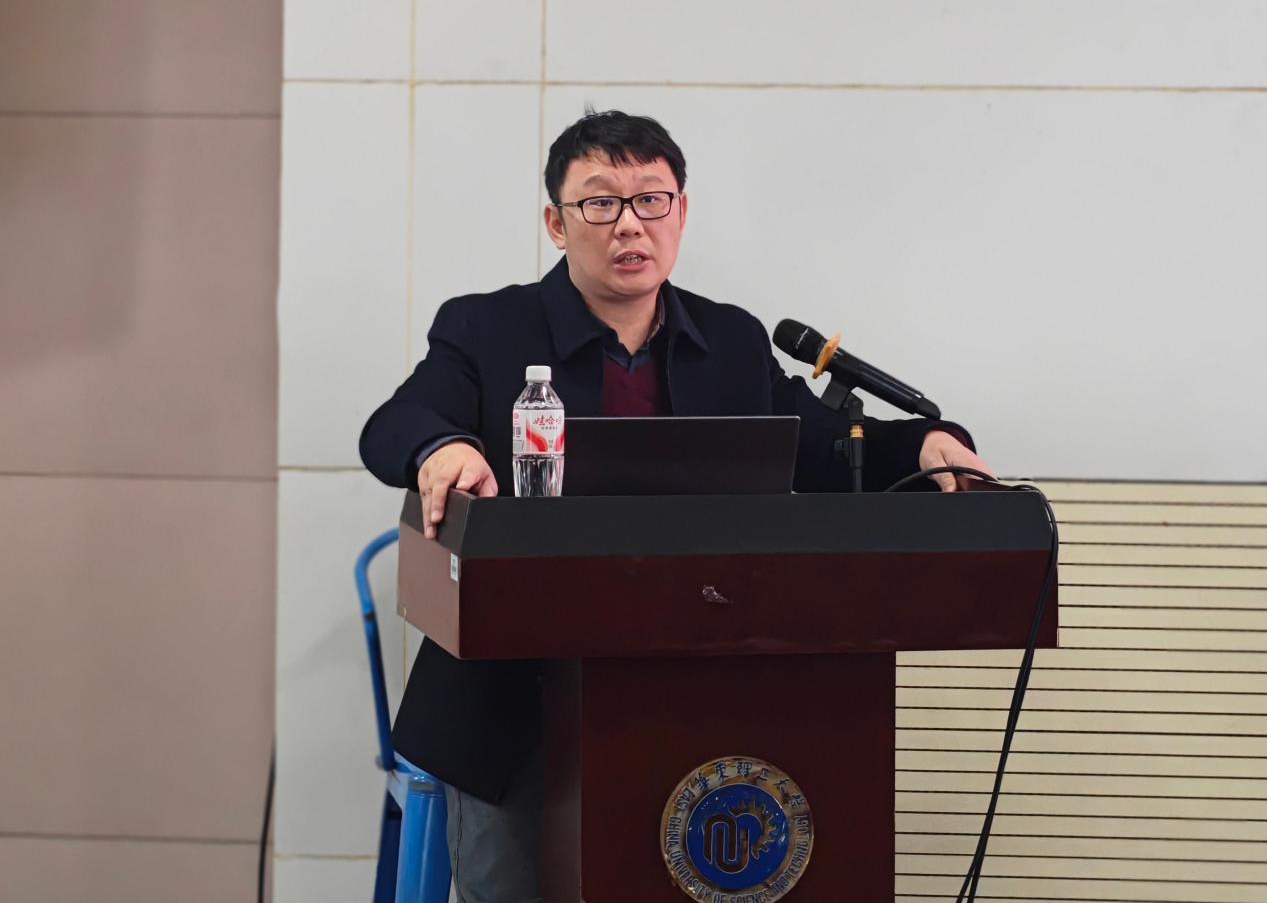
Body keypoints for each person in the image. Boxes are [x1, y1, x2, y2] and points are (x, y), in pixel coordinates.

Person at [359, 109, 992, 901]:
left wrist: (926, 445)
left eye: (650, 200)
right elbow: (395, 424)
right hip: (513, 704)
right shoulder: (486, 327)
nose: (629, 224)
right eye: (600, 203)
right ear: (556, 223)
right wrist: (440, 448)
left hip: (695, 687)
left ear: (681, 212)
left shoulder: (727, 340)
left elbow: (825, 446)